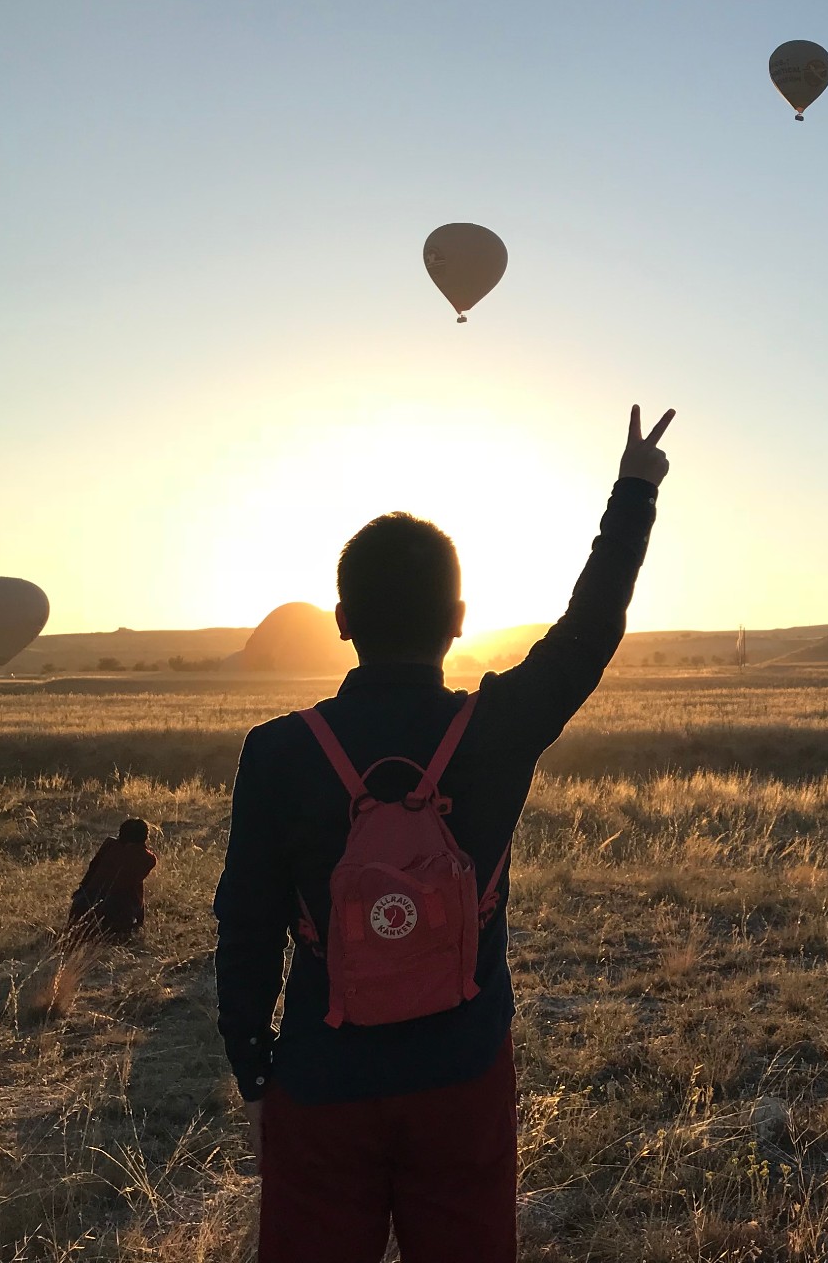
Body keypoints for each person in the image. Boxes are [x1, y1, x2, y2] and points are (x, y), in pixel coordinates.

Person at [213, 404, 674, 1263]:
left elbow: (244, 927)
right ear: (460, 616)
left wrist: (254, 1073)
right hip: (462, 1072)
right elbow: (587, 634)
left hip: (321, 1080)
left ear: (341, 619)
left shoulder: (277, 752)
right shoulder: (495, 730)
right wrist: (634, 493)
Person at [67, 817, 157, 941]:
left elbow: (92, 869)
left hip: (82, 905)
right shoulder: (148, 858)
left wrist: (81, 891)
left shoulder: (109, 844)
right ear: (144, 837)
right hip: (115, 913)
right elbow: (132, 887)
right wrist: (139, 920)